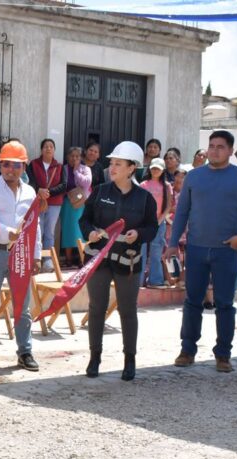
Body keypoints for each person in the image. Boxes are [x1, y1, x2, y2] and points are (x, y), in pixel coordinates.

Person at [164, 130, 237, 373]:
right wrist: (173, 242)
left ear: (230, 151)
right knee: (192, 301)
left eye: (220, 146)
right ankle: (187, 350)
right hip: (196, 248)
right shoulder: (194, 177)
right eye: (211, 146)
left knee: (225, 304)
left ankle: (223, 355)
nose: (214, 150)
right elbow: (182, 212)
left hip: (227, 250)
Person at [80, 141, 158, 381]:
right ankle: (94, 358)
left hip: (128, 262)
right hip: (100, 260)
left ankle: (129, 360)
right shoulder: (100, 191)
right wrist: (90, 232)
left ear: (131, 167)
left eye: (118, 164)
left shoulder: (145, 198)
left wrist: (140, 235)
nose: (112, 167)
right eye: (111, 163)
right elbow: (85, 220)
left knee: (127, 310)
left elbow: (152, 228)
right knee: (96, 309)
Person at [0, 141, 41, 372]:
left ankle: (25, 352)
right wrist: (7, 232)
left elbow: (35, 225)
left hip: (21, 255)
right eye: (6, 165)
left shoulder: (30, 191)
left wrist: (36, 255)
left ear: (24, 167)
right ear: (0, 165)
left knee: (22, 306)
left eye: (16, 165)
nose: (10, 169)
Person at [55, 146, 92, 269]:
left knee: (80, 231)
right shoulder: (64, 169)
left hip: (81, 203)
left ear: (81, 158)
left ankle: (82, 258)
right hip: (67, 204)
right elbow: (62, 184)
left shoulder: (85, 169)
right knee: (68, 231)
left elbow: (86, 183)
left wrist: (76, 171)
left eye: (77, 156)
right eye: (72, 156)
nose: (74, 158)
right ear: (67, 157)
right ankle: (69, 259)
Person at [28, 139, 62, 269]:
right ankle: (36, 259)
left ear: (54, 150)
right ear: (41, 149)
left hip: (54, 203)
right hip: (37, 201)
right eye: (46, 146)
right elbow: (30, 181)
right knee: (38, 230)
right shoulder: (34, 164)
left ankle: (48, 261)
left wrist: (48, 192)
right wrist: (38, 191)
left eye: (51, 147)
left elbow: (63, 185)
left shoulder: (59, 166)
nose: (48, 149)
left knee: (49, 232)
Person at [140, 158, 173, 288]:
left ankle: (155, 281)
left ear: (163, 170)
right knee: (141, 252)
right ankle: (139, 281)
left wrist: (159, 221)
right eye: (153, 168)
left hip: (159, 223)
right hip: (143, 223)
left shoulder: (167, 186)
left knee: (156, 252)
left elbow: (168, 205)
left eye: (158, 169)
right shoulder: (143, 184)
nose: (155, 170)